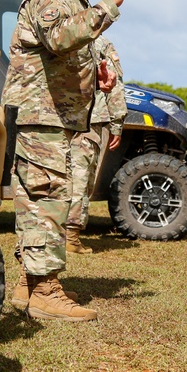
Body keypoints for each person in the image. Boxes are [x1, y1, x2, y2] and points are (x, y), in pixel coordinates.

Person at [2, 0, 134, 321]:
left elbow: (59, 54)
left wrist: (97, 73)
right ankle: (45, 291)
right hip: (44, 116)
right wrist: (110, 4)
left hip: (53, 114)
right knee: (47, 200)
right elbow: (59, 38)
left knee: (40, 197)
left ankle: (29, 285)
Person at [65, 34, 126, 254]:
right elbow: (114, 82)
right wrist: (117, 123)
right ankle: (70, 236)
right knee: (81, 176)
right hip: (88, 120)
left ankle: (58, 231)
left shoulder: (61, 36)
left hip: (57, 117)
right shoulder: (99, 43)